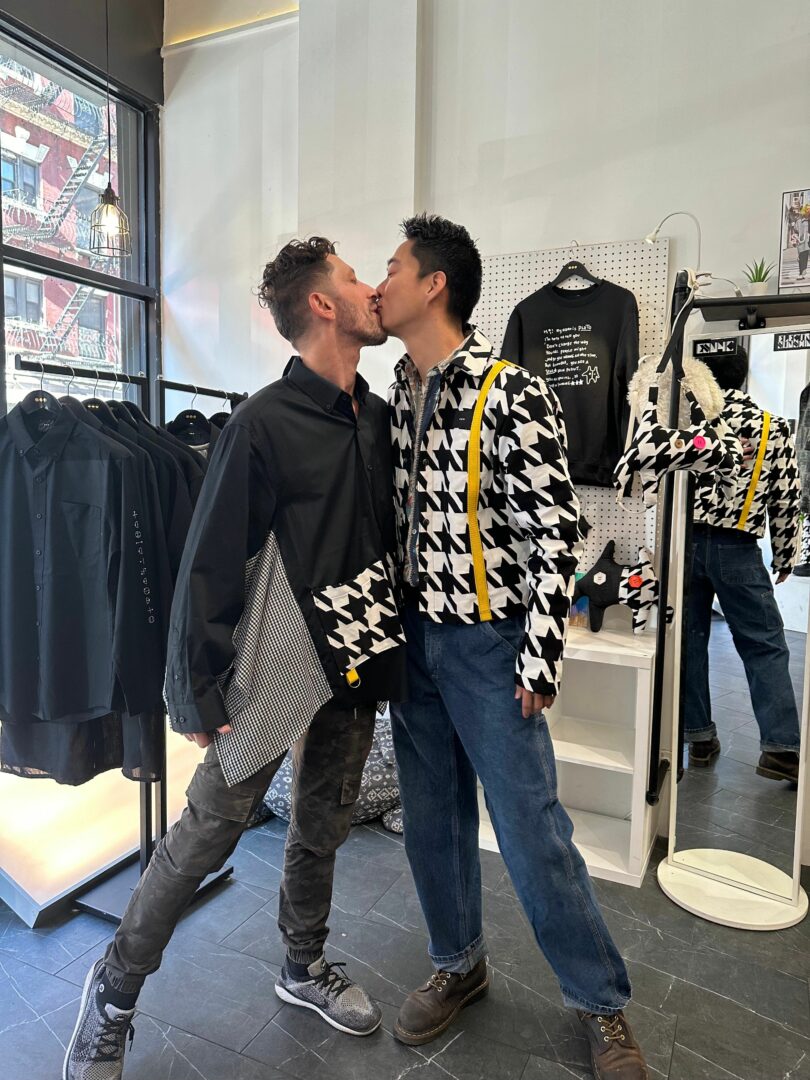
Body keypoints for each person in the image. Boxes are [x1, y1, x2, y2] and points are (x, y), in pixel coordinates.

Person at [64, 238, 408, 1079]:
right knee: (206, 834)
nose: (370, 290)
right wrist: (196, 689)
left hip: (354, 661)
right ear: (321, 304)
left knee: (322, 824)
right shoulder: (260, 425)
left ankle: (303, 964)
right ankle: (112, 992)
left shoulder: (377, 418)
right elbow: (210, 561)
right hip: (274, 665)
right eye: (353, 278)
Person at [377, 214, 649, 1080]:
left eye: (393, 267)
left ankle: (601, 1004)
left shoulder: (512, 390)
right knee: (432, 818)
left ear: (434, 285)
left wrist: (539, 653)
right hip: (414, 642)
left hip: (488, 648)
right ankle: (457, 964)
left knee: (531, 829)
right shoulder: (398, 391)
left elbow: (556, 533)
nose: (381, 283)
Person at [687, 345, 802, 782]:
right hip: (737, 546)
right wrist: (786, 553)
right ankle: (780, 749)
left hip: (684, 545)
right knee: (764, 644)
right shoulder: (770, 426)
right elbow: (786, 497)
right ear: (742, 375)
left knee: (689, 642)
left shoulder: (689, 423)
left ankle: (698, 739)